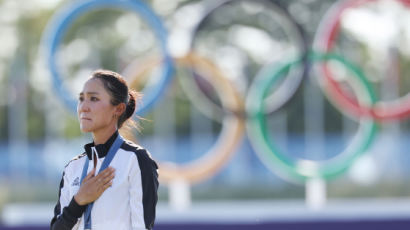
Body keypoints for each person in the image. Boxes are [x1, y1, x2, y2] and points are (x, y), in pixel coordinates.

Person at [50, 70, 159, 230]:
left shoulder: (137, 160)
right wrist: (78, 201)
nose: (83, 107)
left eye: (93, 99)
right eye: (81, 99)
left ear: (119, 109)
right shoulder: (72, 168)